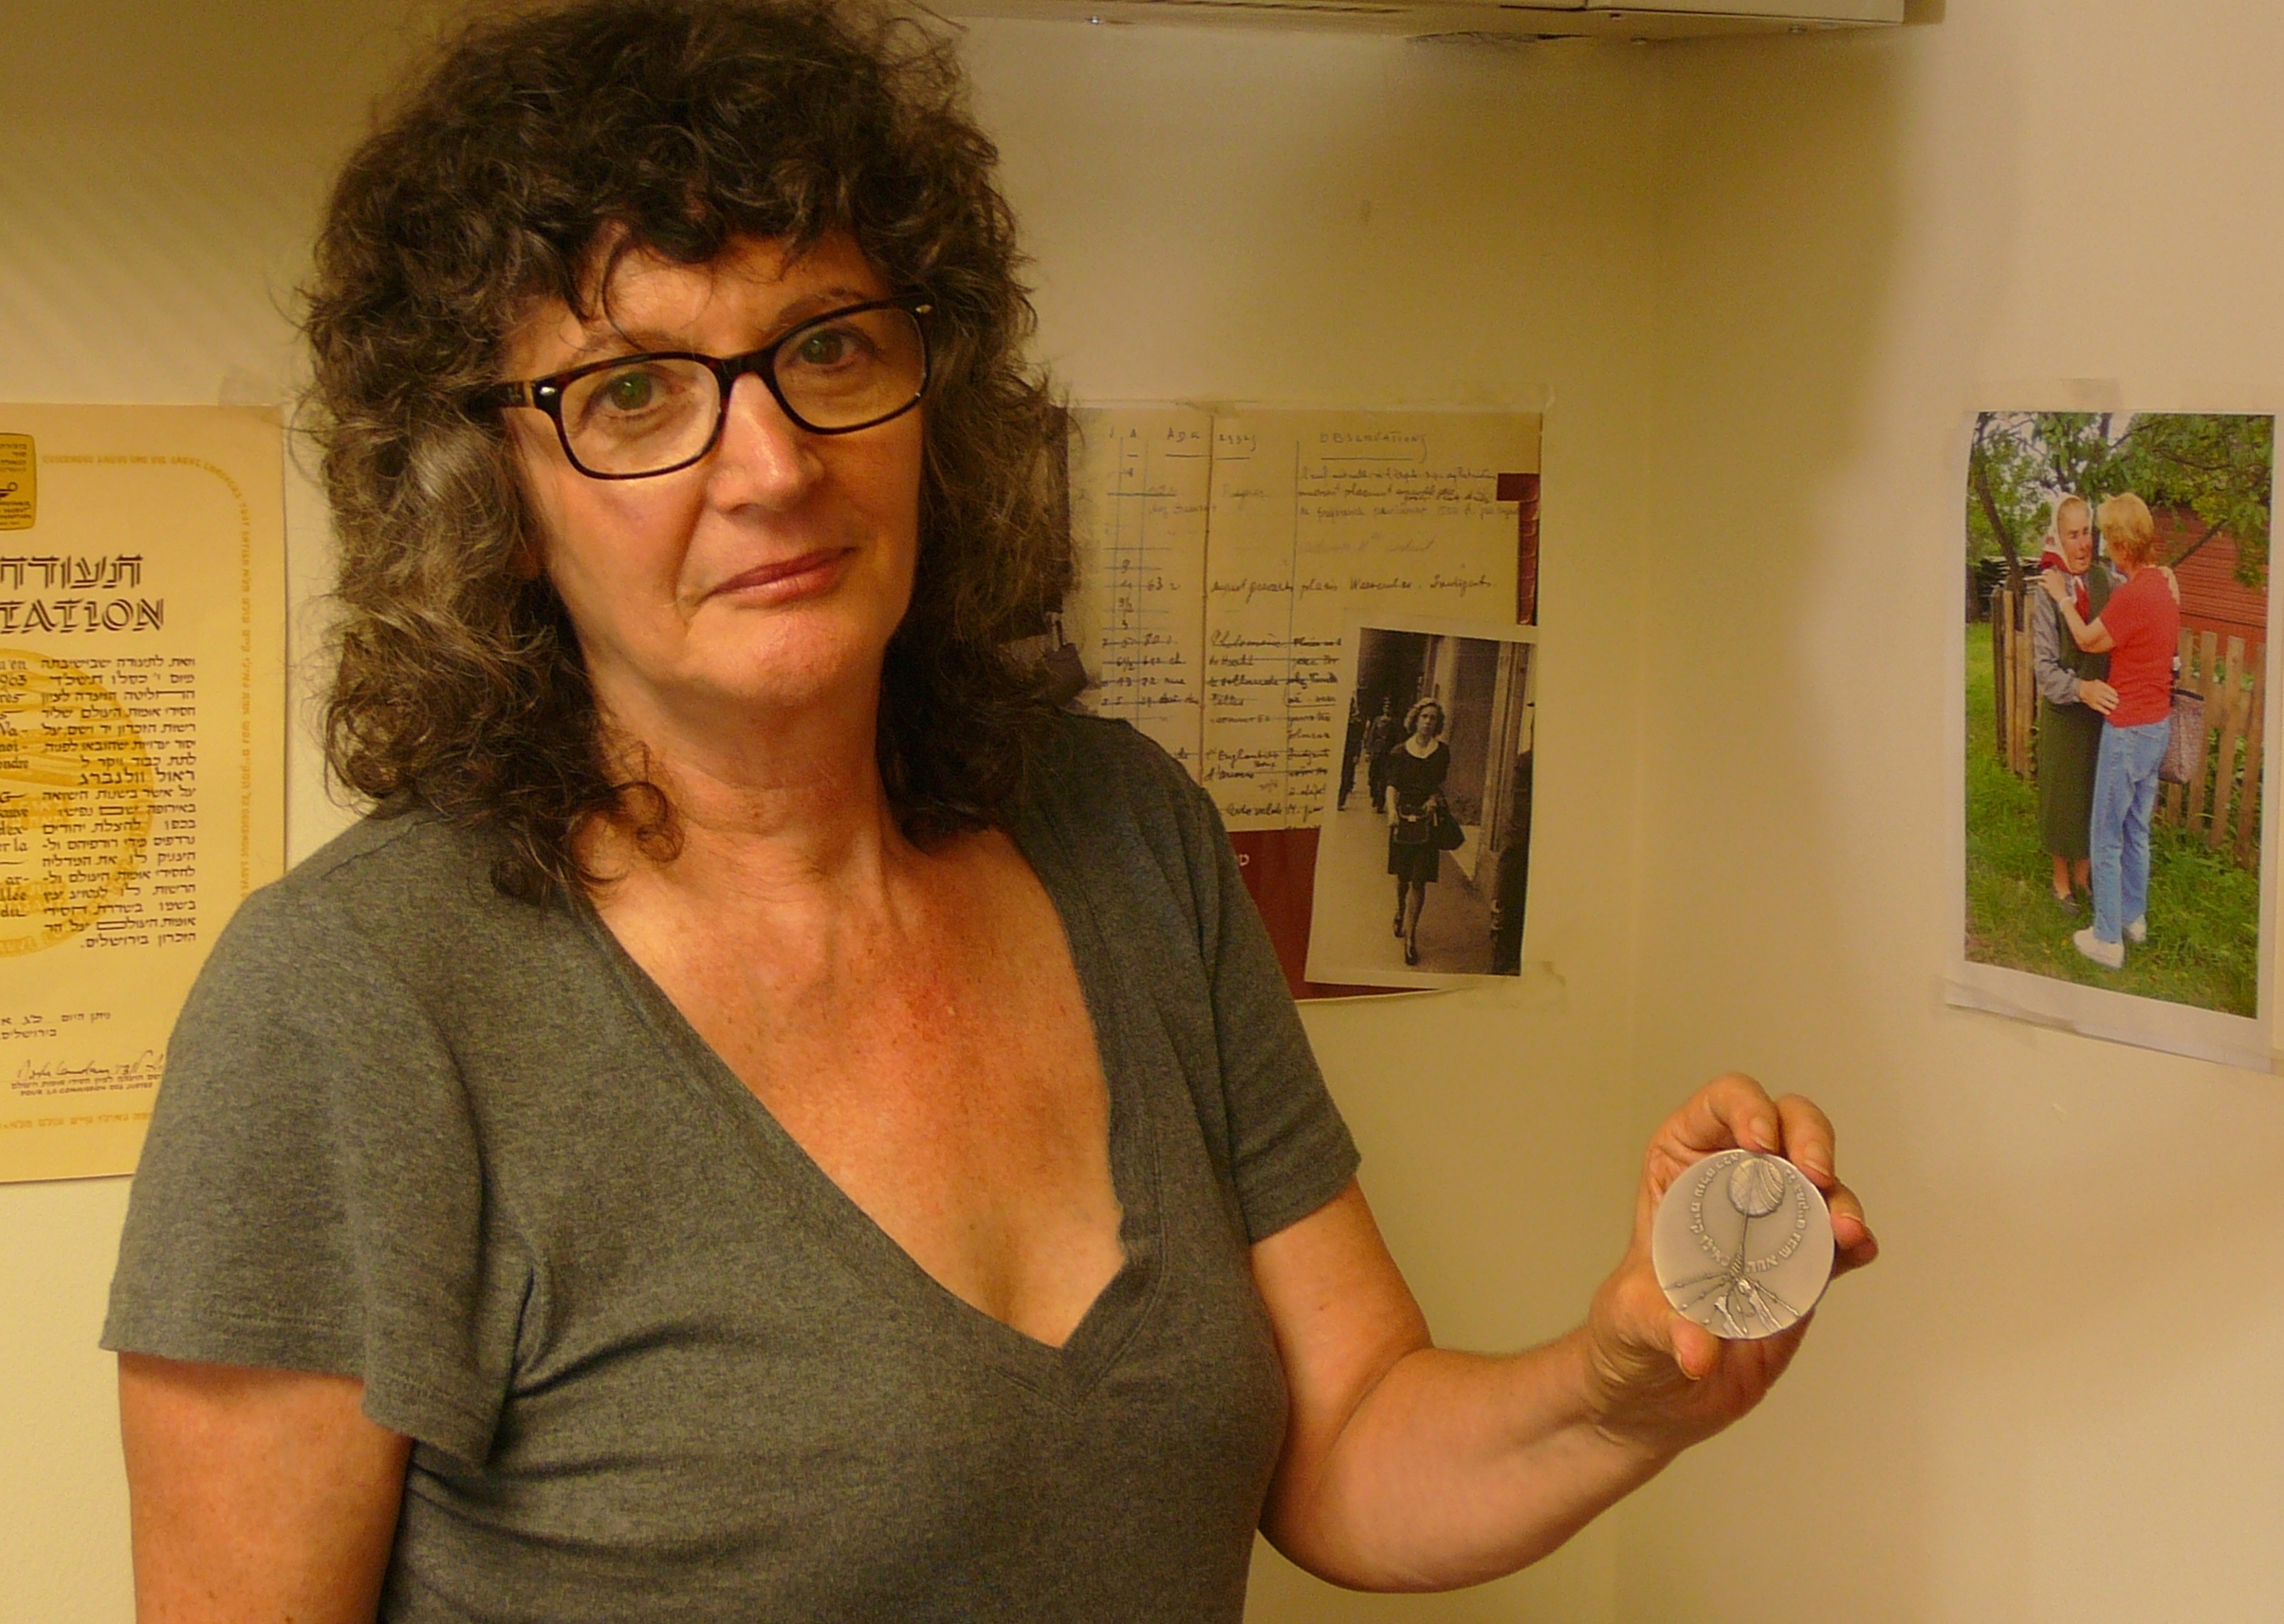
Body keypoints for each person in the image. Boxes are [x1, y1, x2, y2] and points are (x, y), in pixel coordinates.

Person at [101, 4, 1875, 1620]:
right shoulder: (349, 1008)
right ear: (485, 480)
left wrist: (1621, 1376)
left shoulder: (1119, 833)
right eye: (635, 391)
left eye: (830, 345)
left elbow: (1342, 1453)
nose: (775, 461)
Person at [2042, 491, 2182, 969]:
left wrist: (2062, 598)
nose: (2096, 545)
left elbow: (2085, 638)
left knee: (2106, 836)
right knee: (2137, 829)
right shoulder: (2164, 585)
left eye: (2102, 535)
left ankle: (2107, 940)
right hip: (2157, 726)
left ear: (2122, 544)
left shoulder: (2132, 594)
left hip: (2127, 730)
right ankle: (2133, 919)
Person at [2028, 494, 2115, 912]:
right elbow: (2044, 671)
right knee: (2063, 797)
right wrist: (2082, 689)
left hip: (2100, 717)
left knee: (2092, 794)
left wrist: (2163, 577)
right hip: (2066, 712)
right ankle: (2061, 879)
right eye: (2074, 535)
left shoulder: (2105, 580)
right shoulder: (2047, 589)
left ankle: (2084, 874)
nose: (2084, 544)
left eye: (2088, 533)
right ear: (2058, 539)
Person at [1385, 698, 1452, 969]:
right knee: (1403, 878)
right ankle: (1400, 910)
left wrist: (1434, 799)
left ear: (1438, 723)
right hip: (1402, 819)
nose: (1428, 722)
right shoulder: (1399, 752)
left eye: (1433, 718)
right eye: (1424, 716)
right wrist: (1391, 810)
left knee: (1419, 880)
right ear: (1415, 719)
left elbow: (1438, 784)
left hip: (1428, 822)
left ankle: (1410, 939)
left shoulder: (1442, 752)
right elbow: (1392, 786)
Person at [1363, 695, 1399, 811]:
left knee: (1384, 779)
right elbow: (1371, 736)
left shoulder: (1395, 722)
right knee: (1372, 777)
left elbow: (1398, 739)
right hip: (1376, 752)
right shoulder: (1377, 720)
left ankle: (1380, 802)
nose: (1387, 709)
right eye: (1385, 707)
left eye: (1389, 707)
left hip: (1388, 754)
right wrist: (1368, 751)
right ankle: (1374, 794)